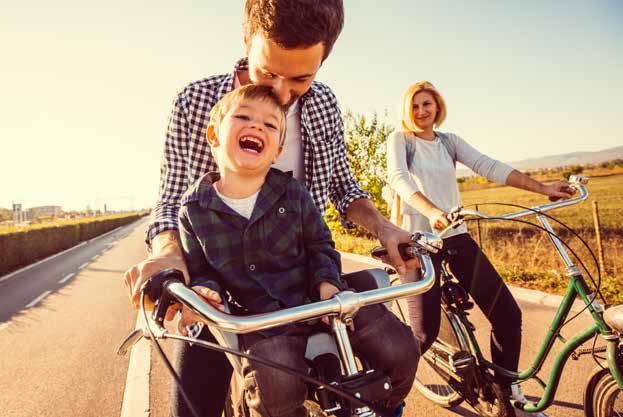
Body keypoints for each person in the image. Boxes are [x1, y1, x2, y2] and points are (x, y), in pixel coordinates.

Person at [123, 2, 419, 415]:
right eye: (268, 73)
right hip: (226, 298)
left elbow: (342, 187)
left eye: (301, 78)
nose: (282, 94)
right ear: (247, 42)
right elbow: (172, 199)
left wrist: (386, 229)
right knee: (192, 406)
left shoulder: (324, 105)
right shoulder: (195, 102)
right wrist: (169, 255)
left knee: (373, 393)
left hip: (308, 285)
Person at [178, 84, 418, 417]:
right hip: (264, 318)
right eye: (243, 117)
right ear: (214, 136)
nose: (257, 126)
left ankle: (385, 405)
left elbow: (320, 244)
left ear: (276, 149)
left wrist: (327, 284)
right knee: (272, 388)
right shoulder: (193, 211)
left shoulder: (293, 193)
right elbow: (203, 271)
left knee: (400, 348)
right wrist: (206, 292)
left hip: (322, 299)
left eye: (270, 125)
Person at [386, 80, 574, 415]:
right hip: (418, 242)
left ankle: (507, 392)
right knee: (424, 335)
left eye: (427, 104)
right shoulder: (401, 140)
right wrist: (431, 212)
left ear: (437, 106)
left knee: (506, 314)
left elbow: (490, 167)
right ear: (406, 110)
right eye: (414, 106)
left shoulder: (449, 142)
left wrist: (543, 188)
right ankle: (386, 394)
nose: (421, 111)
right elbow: (399, 179)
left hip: (455, 235)